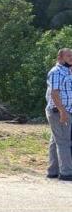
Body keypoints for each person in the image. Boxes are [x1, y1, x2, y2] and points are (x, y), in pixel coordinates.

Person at [45, 48, 72, 181]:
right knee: (64, 142)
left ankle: (52, 171)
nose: (71, 57)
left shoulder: (67, 71)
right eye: (69, 56)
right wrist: (62, 112)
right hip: (58, 111)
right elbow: (54, 94)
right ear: (60, 57)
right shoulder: (56, 72)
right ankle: (66, 173)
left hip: (65, 110)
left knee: (55, 140)